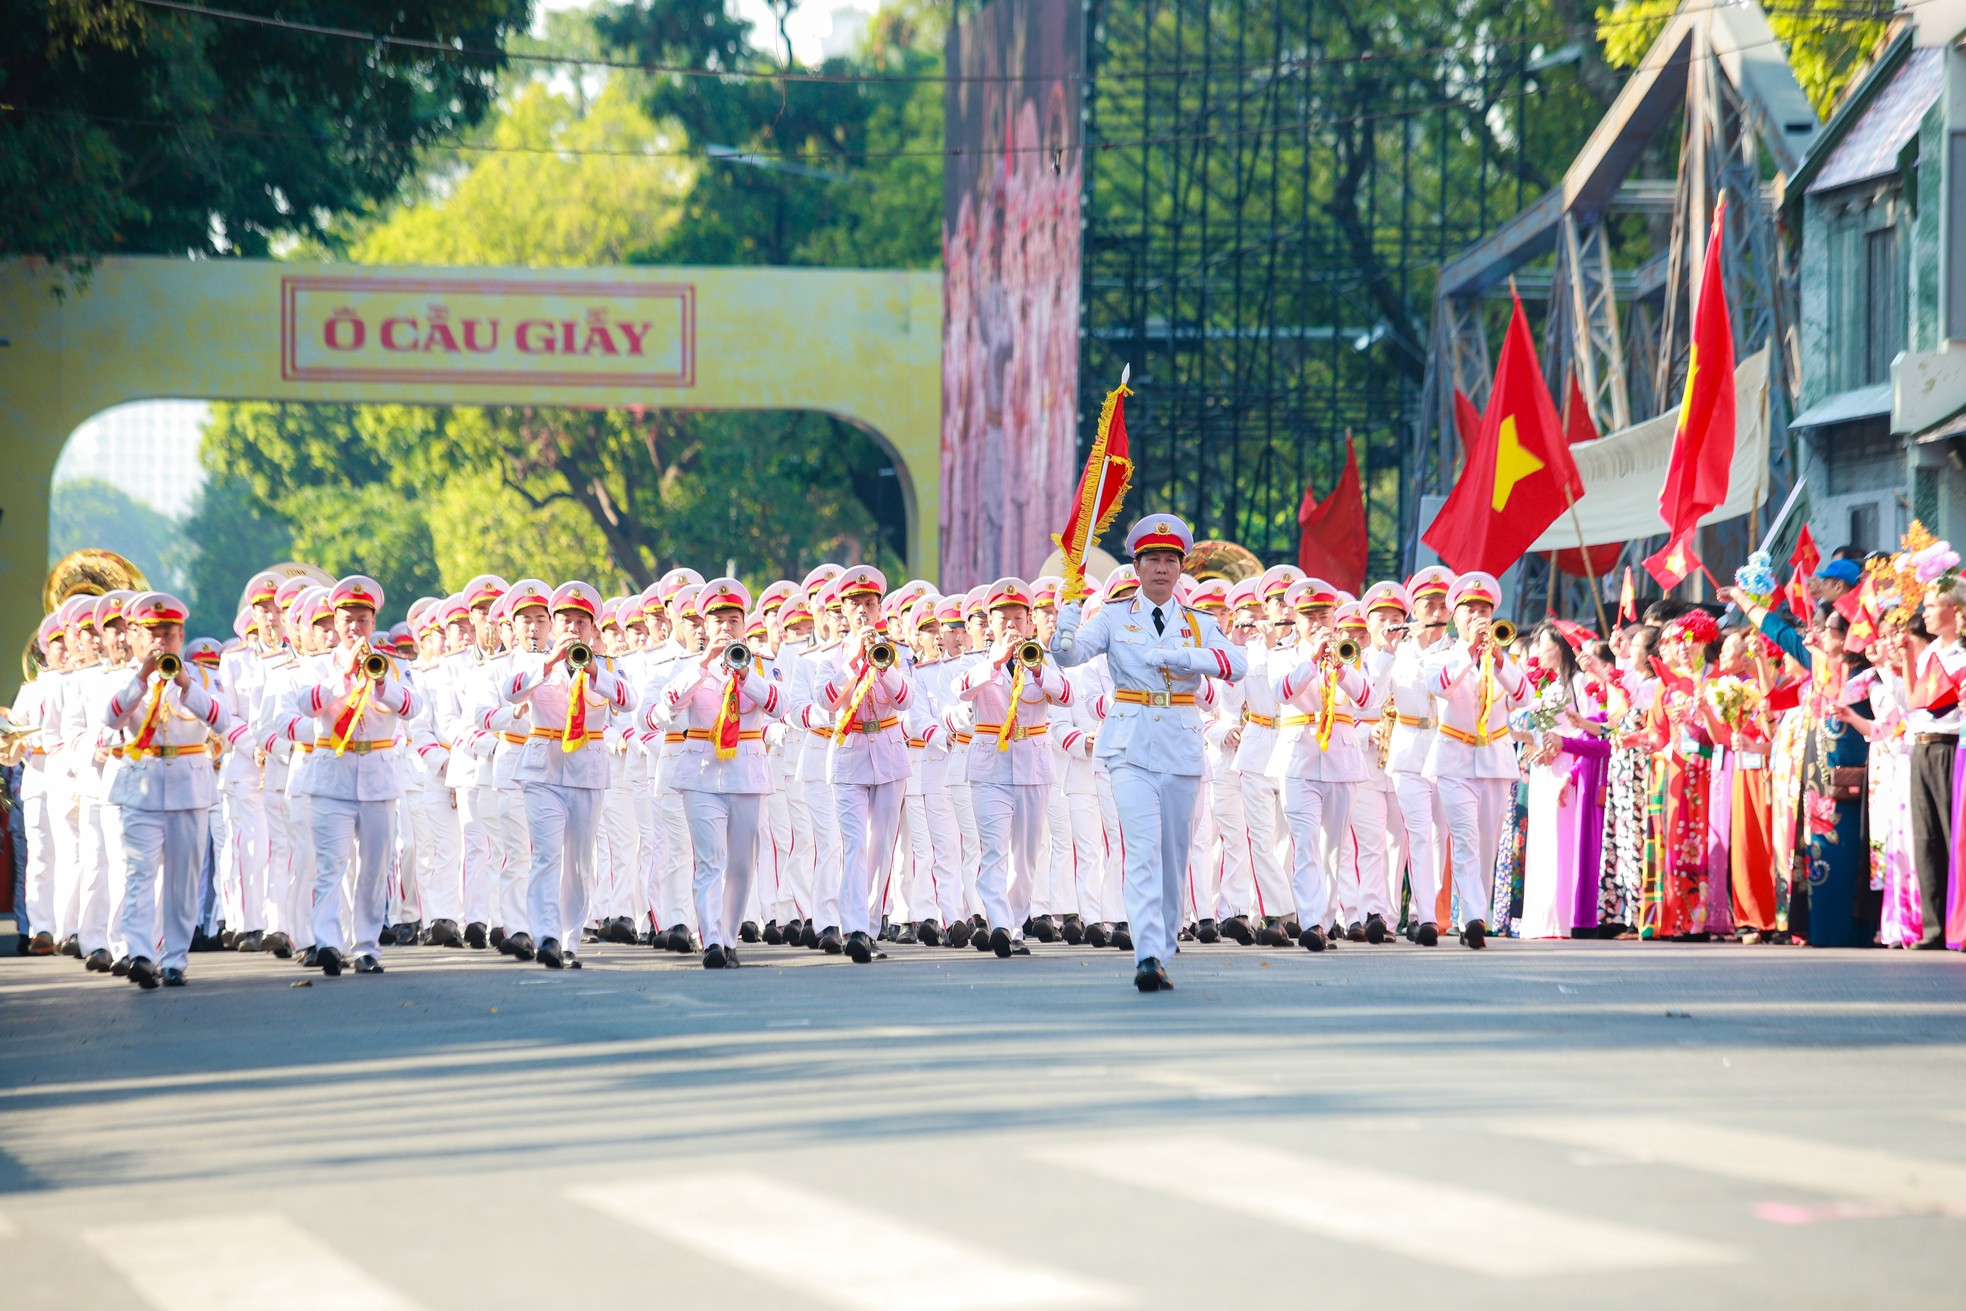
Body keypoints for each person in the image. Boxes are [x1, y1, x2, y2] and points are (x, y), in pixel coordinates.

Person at [1051, 514, 1247, 992]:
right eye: (1152, 560)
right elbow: (1069, 655)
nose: (1161, 568)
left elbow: (1236, 665)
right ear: (1136, 566)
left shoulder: (1198, 623)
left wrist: (1185, 658)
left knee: (1173, 853)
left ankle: (1163, 937)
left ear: (1181, 568)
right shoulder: (1115, 616)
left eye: (1170, 560)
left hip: (1180, 745)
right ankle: (1148, 954)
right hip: (1128, 744)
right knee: (1140, 849)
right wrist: (1068, 614)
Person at [501, 581, 636, 970]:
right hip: (543, 768)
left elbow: (629, 702)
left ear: (593, 628)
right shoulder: (530, 660)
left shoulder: (607, 664)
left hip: (587, 771)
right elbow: (508, 693)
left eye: (581, 622)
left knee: (579, 860)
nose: (574, 629)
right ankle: (545, 935)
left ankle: (569, 938)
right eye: (566, 621)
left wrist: (595, 670)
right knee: (546, 855)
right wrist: (546, 664)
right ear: (554, 626)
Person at [650, 578, 784, 968]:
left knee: (741, 862)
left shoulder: (762, 664)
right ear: (704, 625)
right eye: (718, 620)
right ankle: (710, 940)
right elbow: (668, 706)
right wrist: (704, 664)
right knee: (710, 860)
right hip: (702, 772)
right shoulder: (688, 667)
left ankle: (728, 937)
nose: (726, 628)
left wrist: (747, 677)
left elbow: (780, 705)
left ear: (744, 624)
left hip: (747, 771)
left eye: (733, 620)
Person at [104, 592, 234, 988]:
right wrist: (141, 678)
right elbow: (110, 719)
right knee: (138, 874)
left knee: (183, 878)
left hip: (188, 788)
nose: (161, 641)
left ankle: (175, 957)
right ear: (137, 638)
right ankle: (141, 954)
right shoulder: (121, 676)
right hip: (140, 786)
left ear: (181, 636)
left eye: (169, 634)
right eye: (153, 634)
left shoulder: (205, 676)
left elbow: (222, 719)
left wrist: (185, 684)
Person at [302, 576, 421, 977]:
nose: (355, 628)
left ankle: (367, 945)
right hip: (333, 776)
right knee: (330, 864)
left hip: (378, 777)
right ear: (335, 623)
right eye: (347, 620)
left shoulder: (394, 665)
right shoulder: (317, 664)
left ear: (374, 622)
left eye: (363, 620)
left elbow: (412, 706)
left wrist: (381, 681)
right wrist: (344, 674)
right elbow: (307, 704)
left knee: (374, 868)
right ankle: (328, 942)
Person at [957, 577, 1073, 958]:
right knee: (993, 849)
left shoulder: (1044, 659)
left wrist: (1039, 668)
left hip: (1032, 764)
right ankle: (1001, 925)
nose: (1010, 625)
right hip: (990, 765)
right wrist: (994, 660)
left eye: (1017, 618)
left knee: (1026, 856)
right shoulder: (978, 663)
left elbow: (1067, 695)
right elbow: (962, 691)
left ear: (1029, 623)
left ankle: (1016, 919)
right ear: (988, 624)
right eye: (1002, 618)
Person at [1421, 572, 1528, 949]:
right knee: (1465, 838)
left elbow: (1524, 695)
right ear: (1455, 617)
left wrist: (1498, 660)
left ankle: (1475, 911)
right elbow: (1439, 687)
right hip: (1454, 758)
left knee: (1487, 842)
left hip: (1495, 760)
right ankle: (1473, 919)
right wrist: (1470, 654)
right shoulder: (1442, 656)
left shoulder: (1505, 656)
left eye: (1485, 610)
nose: (1479, 618)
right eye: (1471, 611)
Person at [815, 566, 916, 964]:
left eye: (869, 604)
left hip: (889, 750)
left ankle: (871, 928)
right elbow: (825, 701)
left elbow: (905, 699)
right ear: (842, 611)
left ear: (879, 610)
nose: (862, 612)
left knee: (881, 847)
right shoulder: (829, 657)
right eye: (854, 605)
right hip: (849, 750)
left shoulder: (896, 653)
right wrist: (854, 663)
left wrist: (882, 665)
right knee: (854, 843)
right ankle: (853, 927)